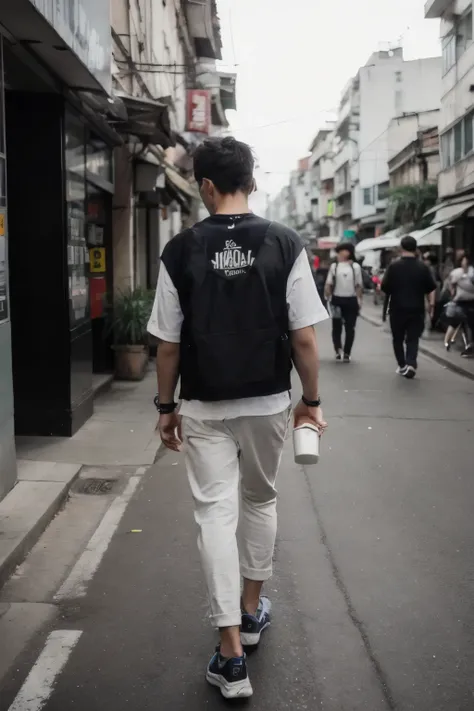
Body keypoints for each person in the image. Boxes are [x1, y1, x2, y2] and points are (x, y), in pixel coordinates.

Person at [147, 136, 329, 699]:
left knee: (214, 516)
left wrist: (166, 407)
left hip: (203, 405)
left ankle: (230, 654)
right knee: (261, 499)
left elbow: (168, 345)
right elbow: (303, 336)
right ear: (250, 179)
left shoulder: (180, 249)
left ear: (204, 185)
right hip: (269, 401)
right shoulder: (284, 242)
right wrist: (312, 401)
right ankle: (251, 613)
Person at [381, 235, 436, 379]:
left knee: (397, 338)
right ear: (415, 248)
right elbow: (431, 288)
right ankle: (411, 363)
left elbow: (385, 287)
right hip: (417, 308)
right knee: (413, 338)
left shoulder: (394, 266)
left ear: (401, 248)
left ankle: (402, 365)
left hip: (397, 308)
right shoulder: (423, 267)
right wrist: (431, 304)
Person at [324, 242, 363, 362]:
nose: (341, 253)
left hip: (351, 299)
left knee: (350, 327)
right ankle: (338, 350)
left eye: (343, 250)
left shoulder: (355, 267)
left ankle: (347, 352)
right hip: (336, 299)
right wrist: (328, 297)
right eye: (340, 251)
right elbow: (329, 284)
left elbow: (358, 285)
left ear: (349, 252)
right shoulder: (334, 266)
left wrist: (359, 300)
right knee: (336, 327)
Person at [449, 254, 474, 357]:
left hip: (471, 301)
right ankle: (468, 345)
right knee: (464, 324)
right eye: (463, 260)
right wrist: (453, 292)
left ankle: (469, 345)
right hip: (461, 301)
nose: (465, 263)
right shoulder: (456, 272)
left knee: (470, 324)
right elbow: (451, 284)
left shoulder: (472, 272)